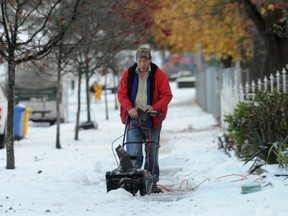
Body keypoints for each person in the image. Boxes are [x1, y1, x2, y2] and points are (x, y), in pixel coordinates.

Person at [117, 47, 173, 193]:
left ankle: (152, 182)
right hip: (133, 117)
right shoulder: (128, 74)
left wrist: (153, 106)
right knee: (133, 151)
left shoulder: (158, 75)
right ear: (136, 60)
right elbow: (121, 94)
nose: (142, 64)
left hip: (152, 118)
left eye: (145, 60)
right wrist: (129, 108)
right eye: (139, 60)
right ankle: (133, 182)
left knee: (151, 151)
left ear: (150, 60)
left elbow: (167, 95)